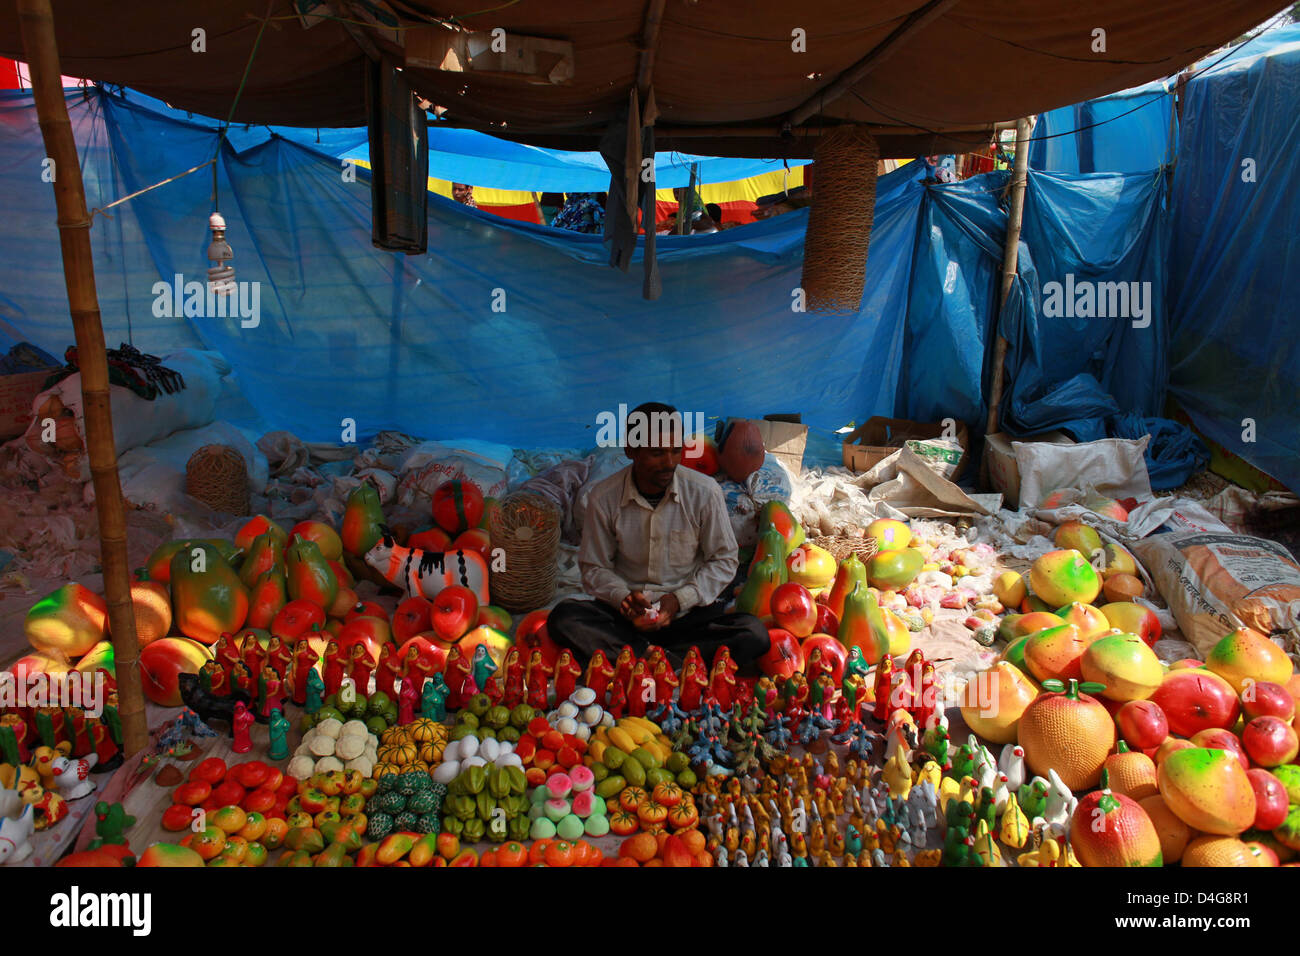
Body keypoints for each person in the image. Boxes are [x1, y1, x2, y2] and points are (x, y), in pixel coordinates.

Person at [548, 402, 770, 674]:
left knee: (753, 633)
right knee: (565, 617)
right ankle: (666, 660)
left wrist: (679, 599)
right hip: (625, 619)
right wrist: (624, 599)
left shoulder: (704, 492)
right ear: (631, 451)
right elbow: (595, 567)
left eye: (676, 451)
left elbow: (724, 560)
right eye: (656, 453)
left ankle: (636, 657)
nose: (669, 463)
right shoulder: (604, 497)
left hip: (686, 617)